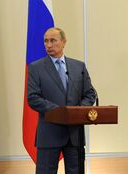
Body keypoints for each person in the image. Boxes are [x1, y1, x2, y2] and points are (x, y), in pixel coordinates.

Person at [27, 27, 96, 174]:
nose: (49, 45)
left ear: (64, 42)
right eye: (46, 41)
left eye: (53, 40)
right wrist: (60, 112)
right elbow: (33, 98)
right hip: (49, 133)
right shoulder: (36, 68)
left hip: (74, 135)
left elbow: (90, 94)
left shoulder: (79, 67)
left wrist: (75, 112)